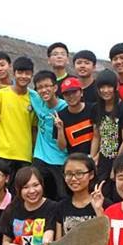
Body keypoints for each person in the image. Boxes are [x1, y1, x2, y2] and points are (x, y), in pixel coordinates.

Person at [0, 56, 37, 176]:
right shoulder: (0, 94)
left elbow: (34, 128)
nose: (23, 76)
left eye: (27, 73)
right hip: (3, 154)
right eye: (20, 73)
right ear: (14, 73)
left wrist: (34, 153)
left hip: (25, 156)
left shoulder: (34, 97)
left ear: (32, 75)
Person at [93, 69, 123, 202]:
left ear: (116, 87)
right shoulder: (97, 108)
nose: (106, 90)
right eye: (102, 87)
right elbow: (96, 136)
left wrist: (116, 166)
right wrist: (92, 158)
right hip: (103, 159)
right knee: (102, 195)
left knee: (118, 196)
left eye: (109, 86)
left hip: (120, 159)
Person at [31, 70, 69, 201]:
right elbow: (20, 87)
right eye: (40, 87)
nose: (44, 90)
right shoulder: (36, 100)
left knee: (62, 196)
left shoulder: (65, 107)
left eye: (47, 86)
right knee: (37, 193)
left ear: (55, 88)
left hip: (60, 158)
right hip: (40, 156)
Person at [55, 77, 99, 158]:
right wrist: (60, 129)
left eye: (74, 92)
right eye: (66, 94)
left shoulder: (94, 109)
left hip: (95, 158)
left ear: (81, 92)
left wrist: (93, 158)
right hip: (75, 160)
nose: (71, 96)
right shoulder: (60, 117)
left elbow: (98, 136)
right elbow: (62, 147)